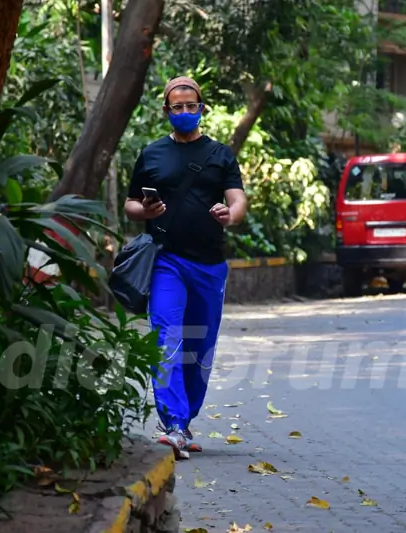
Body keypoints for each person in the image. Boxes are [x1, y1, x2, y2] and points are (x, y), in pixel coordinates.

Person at [123, 76, 248, 459]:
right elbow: (129, 205)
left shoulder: (221, 155)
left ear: (201, 108)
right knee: (167, 335)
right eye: (176, 107)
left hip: (209, 265)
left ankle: (186, 416)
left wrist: (230, 214)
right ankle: (173, 422)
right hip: (166, 261)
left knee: (200, 346)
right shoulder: (152, 154)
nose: (184, 112)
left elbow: (238, 200)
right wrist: (144, 210)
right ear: (166, 111)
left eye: (190, 105)